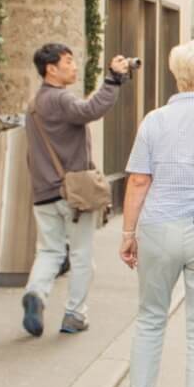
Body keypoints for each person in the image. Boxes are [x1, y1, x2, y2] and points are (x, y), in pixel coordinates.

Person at [118, 41, 194, 387]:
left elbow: (138, 180)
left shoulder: (155, 120)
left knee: (149, 319)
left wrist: (128, 233)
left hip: (158, 227)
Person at [21, 43, 132, 337]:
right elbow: (91, 110)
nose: (74, 66)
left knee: (49, 251)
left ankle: (36, 293)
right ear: (51, 69)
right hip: (73, 194)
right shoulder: (60, 99)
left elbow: (31, 155)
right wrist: (112, 80)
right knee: (82, 254)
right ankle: (74, 314)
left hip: (43, 194)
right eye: (68, 61)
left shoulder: (33, 105)